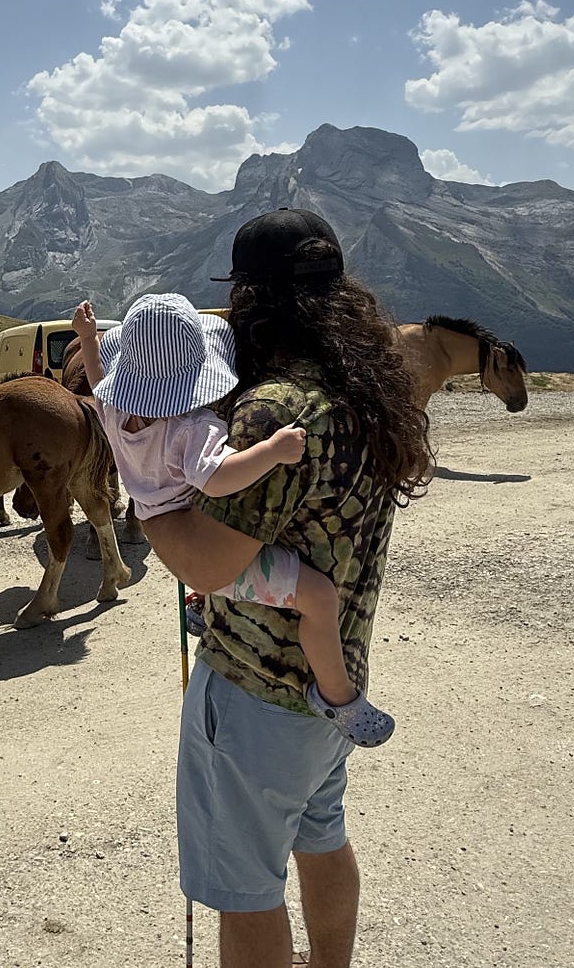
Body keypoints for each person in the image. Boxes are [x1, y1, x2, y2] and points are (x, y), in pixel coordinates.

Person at [143, 208, 433, 968]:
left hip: (253, 695)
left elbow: (205, 564)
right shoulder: (370, 391)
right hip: (330, 688)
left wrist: (145, 497)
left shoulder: (276, 408)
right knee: (323, 836)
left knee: (247, 892)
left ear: (251, 300)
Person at [73, 295, 394, 747]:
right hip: (198, 532)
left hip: (154, 516)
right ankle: (337, 696)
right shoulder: (191, 428)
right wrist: (273, 450)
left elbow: (96, 377)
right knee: (319, 597)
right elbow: (218, 480)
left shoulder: (114, 412)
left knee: (238, 569)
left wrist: (87, 338)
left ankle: (203, 603)